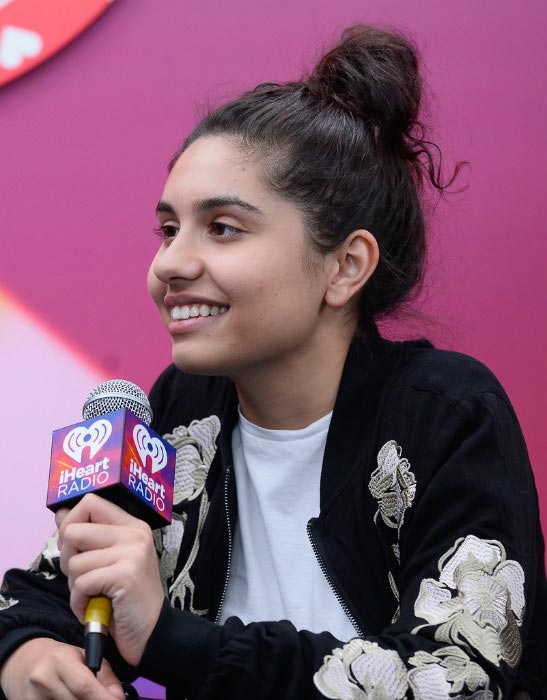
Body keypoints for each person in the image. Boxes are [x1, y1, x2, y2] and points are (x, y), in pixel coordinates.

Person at [0, 23, 546, 700]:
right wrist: (27, 654)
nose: (170, 263)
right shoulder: (181, 408)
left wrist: (170, 642)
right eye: (168, 229)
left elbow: (463, 679)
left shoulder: (443, 415)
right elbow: (39, 594)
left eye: (222, 228)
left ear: (344, 267)